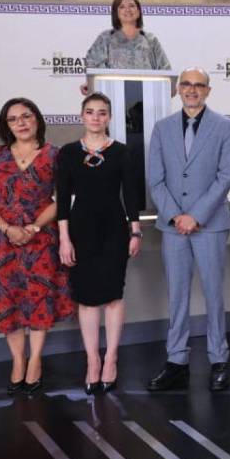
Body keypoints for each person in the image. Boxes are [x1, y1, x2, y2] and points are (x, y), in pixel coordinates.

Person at [0, 97, 73, 395]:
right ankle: (18, 360)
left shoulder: (56, 155)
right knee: (8, 301)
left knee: (38, 300)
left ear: (37, 118)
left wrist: (34, 227)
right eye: (13, 119)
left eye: (26, 116)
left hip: (40, 239)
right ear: (6, 126)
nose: (21, 123)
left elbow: (62, 199)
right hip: (0, 242)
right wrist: (7, 228)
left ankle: (35, 359)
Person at [145, 67, 230, 392]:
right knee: (177, 295)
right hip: (173, 228)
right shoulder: (162, 128)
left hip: (209, 225)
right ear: (178, 89)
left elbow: (225, 177)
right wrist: (175, 216)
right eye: (186, 84)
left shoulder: (225, 127)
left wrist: (195, 216)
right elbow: (155, 180)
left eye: (199, 85)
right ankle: (176, 361)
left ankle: (218, 359)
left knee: (213, 293)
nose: (192, 89)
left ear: (208, 91)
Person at [56, 92, 143, 394]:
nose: (96, 117)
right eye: (91, 112)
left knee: (113, 296)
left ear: (109, 117)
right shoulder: (68, 152)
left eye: (102, 112)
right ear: (82, 116)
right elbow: (62, 200)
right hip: (80, 231)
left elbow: (130, 194)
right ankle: (92, 360)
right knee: (87, 298)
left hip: (114, 231)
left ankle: (111, 359)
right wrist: (64, 239)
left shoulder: (121, 152)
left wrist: (135, 231)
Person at [83, 0, 172, 75]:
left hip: (146, 86)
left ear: (138, 11)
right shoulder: (106, 38)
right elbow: (91, 63)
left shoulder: (150, 39)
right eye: (122, 7)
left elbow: (165, 69)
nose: (128, 10)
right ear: (116, 13)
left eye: (131, 6)